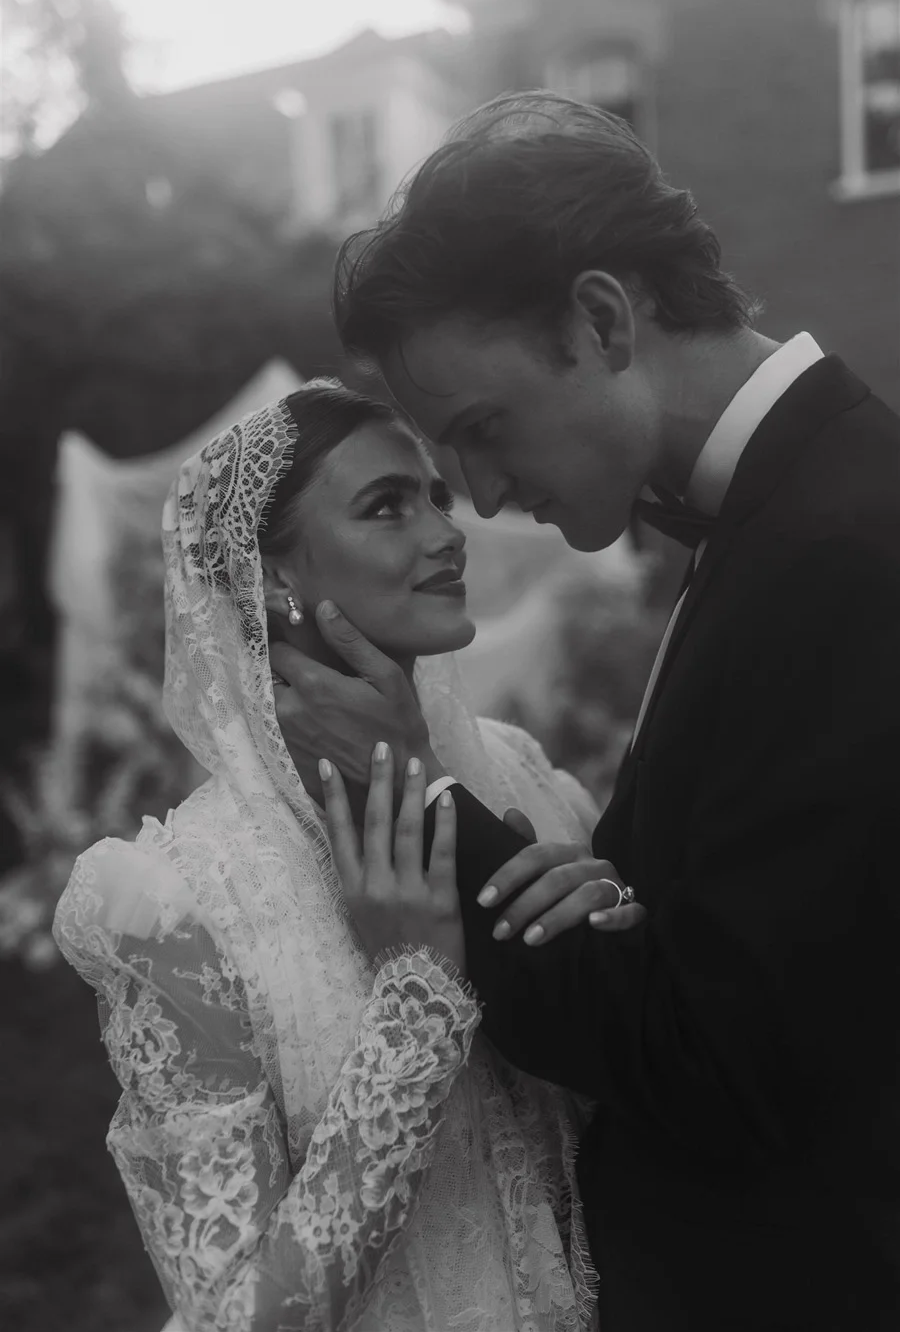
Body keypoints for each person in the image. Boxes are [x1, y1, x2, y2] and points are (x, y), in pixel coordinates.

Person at [271, 93, 900, 1330]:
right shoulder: (799, 511)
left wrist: (438, 815)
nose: (486, 501)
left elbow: (727, 1068)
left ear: (603, 319)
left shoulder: (842, 554)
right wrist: (613, 904)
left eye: (483, 433)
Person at [53, 379, 642, 1332]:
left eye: (434, 499)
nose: (447, 534)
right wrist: (415, 1015)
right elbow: (231, 1320)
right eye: (385, 508)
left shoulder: (529, 784)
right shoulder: (179, 901)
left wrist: (620, 922)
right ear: (275, 577)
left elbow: (633, 1074)